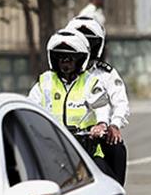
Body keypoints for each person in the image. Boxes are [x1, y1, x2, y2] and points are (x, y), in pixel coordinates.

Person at [27, 29, 113, 178]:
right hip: (54, 147)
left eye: (70, 58)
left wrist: (101, 125)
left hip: (87, 148)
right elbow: (30, 107)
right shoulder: (45, 82)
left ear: (79, 59)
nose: (65, 62)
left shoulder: (90, 82)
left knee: (105, 177)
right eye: (61, 58)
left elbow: (102, 106)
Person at [65, 15, 131, 184]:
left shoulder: (104, 74)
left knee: (115, 150)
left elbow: (120, 103)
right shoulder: (53, 78)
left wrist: (113, 125)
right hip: (63, 137)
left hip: (96, 138)